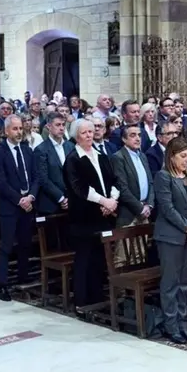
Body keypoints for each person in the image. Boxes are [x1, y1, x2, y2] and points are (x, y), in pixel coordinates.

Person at [63, 117, 120, 309]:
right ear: (76, 137)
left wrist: (112, 201)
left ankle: (97, 298)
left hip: (103, 216)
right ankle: (81, 301)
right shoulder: (72, 159)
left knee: (99, 258)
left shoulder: (101, 155)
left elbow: (114, 180)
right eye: (84, 133)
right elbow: (79, 188)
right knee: (84, 259)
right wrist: (104, 202)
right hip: (83, 218)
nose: (89, 135)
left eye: (91, 131)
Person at [152, 136, 187, 344]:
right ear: (171, 157)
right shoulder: (163, 176)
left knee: (184, 282)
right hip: (171, 236)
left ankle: (182, 323)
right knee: (171, 283)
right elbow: (168, 209)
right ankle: (170, 325)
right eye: (183, 156)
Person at [0, 114, 41, 300]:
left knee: (26, 243)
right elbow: (1, 182)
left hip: (28, 204)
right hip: (10, 207)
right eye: (15, 129)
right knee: (7, 246)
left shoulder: (27, 150)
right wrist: (20, 200)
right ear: (6, 131)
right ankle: (3, 284)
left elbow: (36, 176)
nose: (19, 132)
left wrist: (31, 196)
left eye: (20, 128)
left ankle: (23, 275)